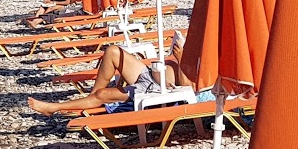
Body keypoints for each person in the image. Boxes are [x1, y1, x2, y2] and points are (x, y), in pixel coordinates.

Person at [27, 32, 196, 116]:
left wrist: (181, 58)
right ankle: (90, 99)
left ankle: (54, 108)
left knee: (103, 94)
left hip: (155, 90)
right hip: (149, 74)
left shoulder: (210, 63)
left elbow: (187, 88)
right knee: (113, 51)